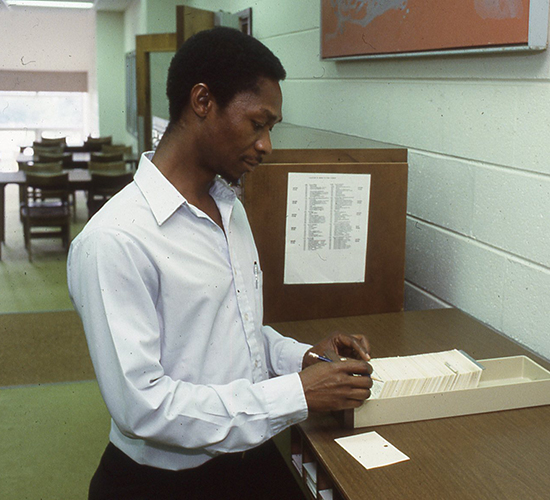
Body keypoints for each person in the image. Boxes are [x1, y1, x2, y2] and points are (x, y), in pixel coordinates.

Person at [67, 27, 373, 500]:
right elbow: (143, 407)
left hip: (249, 458)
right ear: (203, 101)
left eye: (272, 127)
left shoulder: (228, 207)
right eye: (258, 123)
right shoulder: (115, 239)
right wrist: (299, 394)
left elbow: (230, 333)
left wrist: (302, 358)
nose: (267, 144)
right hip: (162, 484)